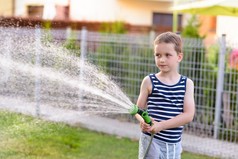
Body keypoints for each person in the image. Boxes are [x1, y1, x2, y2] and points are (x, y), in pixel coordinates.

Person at [135, 32, 195, 159]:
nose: (162, 59)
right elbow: (137, 110)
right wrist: (143, 122)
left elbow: (188, 115)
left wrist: (161, 125)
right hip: (150, 141)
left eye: (168, 55)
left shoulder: (187, 84)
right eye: (158, 55)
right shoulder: (149, 81)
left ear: (179, 57)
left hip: (173, 145)